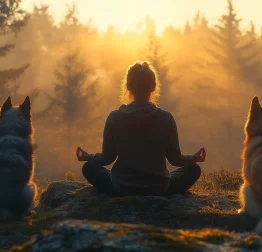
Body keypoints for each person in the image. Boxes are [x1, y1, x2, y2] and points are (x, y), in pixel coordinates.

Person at [76, 61, 206, 196]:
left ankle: (122, 189)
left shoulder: (115, 117)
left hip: (122, 187)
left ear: (128, 86)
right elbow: (175, 159)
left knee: (88, 168)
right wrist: (193, 158)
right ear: (154, 86)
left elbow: (106, 158)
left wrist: (87, 156)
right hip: (158, 188)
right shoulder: (166, 118)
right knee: (193, 170)